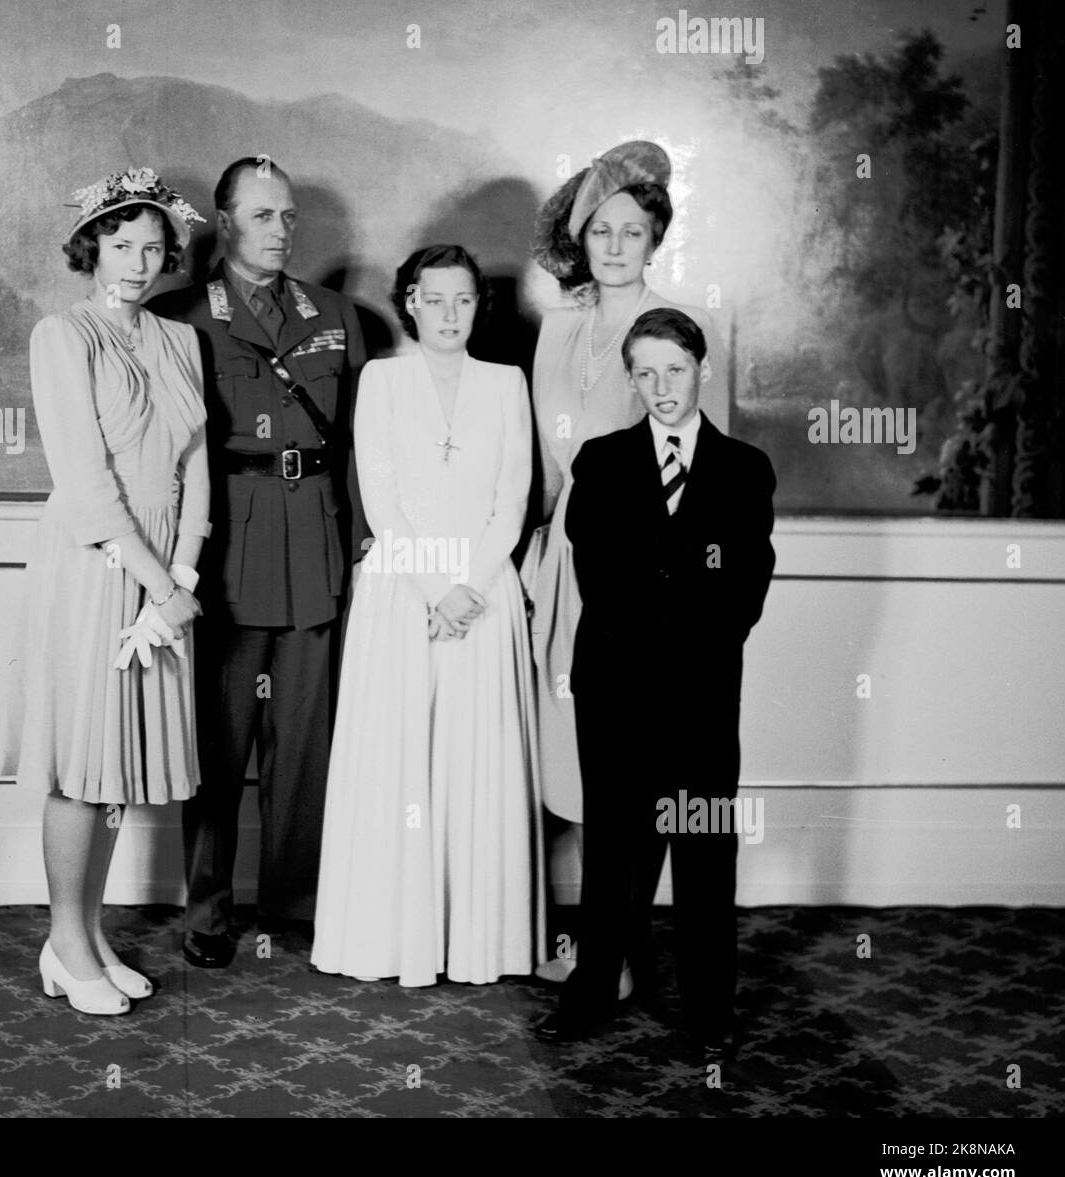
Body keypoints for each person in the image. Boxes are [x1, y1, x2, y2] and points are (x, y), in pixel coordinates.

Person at [536, 308, 775, 1060]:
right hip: (617, 686)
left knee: (703, 845)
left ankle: (710, 1006)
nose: (661, 386)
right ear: (630, 377)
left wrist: (691, 649)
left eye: (674, 369)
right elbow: (600, 579)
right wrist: (656, 642)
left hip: (703, 688)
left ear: (701, 367)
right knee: (614, 848)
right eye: (645, 372)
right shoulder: (601, 463)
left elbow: (746, 584)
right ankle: (593, 990)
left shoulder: (743, 469)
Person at [149, 157, 366, 969]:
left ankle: (294, 903)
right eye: (263, 215)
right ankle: (206, 909)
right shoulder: (180, 317)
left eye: (289, 216)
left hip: (313, 540)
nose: (281, 230)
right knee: (216, 743)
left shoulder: (338, 315)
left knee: (305, 744)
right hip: (227, 547)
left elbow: (354, 447)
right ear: (226, 220)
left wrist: (364, 542)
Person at [523, 139, 727, 988]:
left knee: (629, 766)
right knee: (562, 756)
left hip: (635, 573)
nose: (614, 245)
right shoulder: (557, 325)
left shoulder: (671, 330)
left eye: (632, 231)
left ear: (655, 240)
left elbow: (694, 470)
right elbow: (541, 463)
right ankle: (588, 944)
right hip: (553, 560)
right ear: (583, 238)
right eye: (601, 230)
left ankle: (617, 955)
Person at [309, 244, 543, 986]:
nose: (448, 314)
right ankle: (391, 937)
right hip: (402, 595)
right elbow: (380, 496)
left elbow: (514, 494)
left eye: (462, 300)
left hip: (483, 597)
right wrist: (434, 589)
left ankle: (477, 940)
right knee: (400, 765)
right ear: (409, 302)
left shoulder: (507, 383)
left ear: (479, 306)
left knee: (476, 764)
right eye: (432, 298)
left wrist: (469, 585)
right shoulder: (381, 379)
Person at [8, 168, 210, 1014]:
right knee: (80, 767)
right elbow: (88, 489)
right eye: (122, 245)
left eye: (153, 248)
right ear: (92, 247)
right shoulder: (62, 336)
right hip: (98, 566)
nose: (137, 262)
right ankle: (63, 938)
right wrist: (162, 586)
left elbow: (196, 464)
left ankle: (87, 937)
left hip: (167, 570)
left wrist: (184, 573)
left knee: (115, 766)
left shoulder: (180, 339)